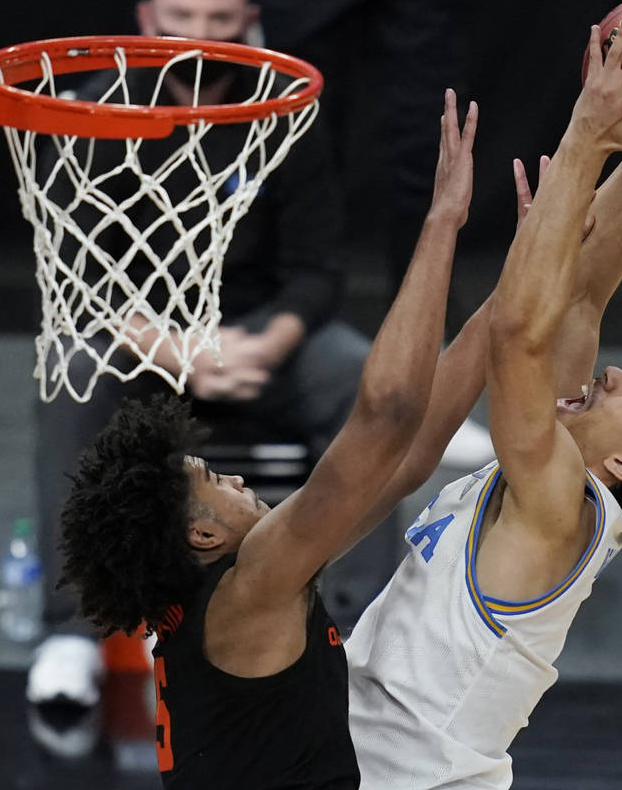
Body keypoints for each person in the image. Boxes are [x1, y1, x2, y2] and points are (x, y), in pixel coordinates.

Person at [344, 23, 622, 787]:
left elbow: (515, 335)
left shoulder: (558, 504)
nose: (615, 374)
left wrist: (585, 137)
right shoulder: (564, 466)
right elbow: (580, 298)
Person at [55, 88, 478, 787]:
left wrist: (532, 264)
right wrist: (442, 222)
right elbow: (388, 415)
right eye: (216, 483)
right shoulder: (250, 588)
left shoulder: (225, 597)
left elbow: (405, 459)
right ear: (201, 537)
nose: (240, 481)